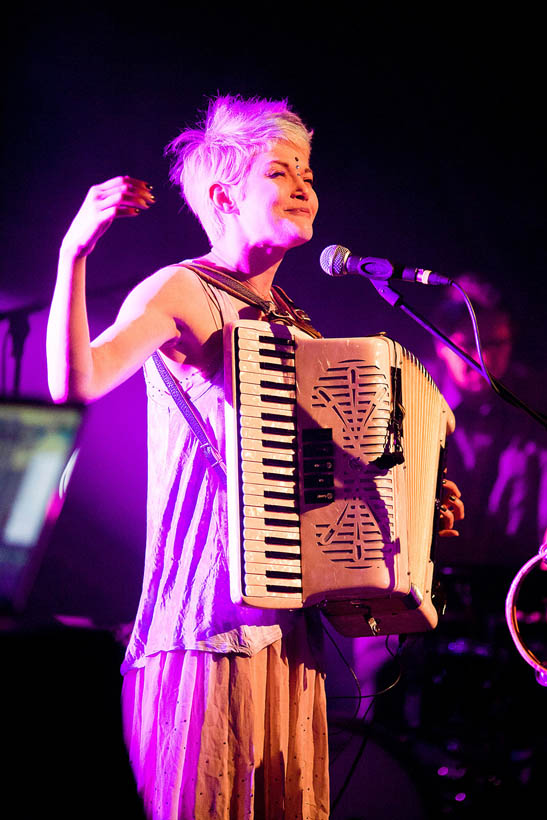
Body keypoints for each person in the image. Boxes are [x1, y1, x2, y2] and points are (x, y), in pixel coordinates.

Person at [46, 94, 463, 820]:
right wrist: (73, 253)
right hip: (204, 625)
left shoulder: (295, 325)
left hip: (289, 634)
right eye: (280, 170)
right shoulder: (182, 288)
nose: (304, 185)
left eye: (307, 170)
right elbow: (75, 382)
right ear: (224, 195)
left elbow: (328, 487)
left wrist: (415, 509)